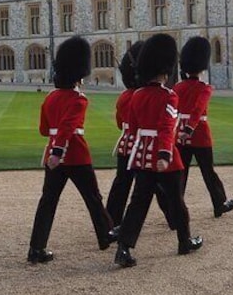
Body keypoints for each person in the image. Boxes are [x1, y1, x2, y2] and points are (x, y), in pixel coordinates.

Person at [114, 33, 203, 268]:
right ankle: (184, 242)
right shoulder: (169, 96)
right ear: (165, 71)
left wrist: (136, 149)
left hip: (142, 155)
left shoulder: (137, 96)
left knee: (138, 203)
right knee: (177, 201)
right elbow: (166, 128)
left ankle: (123, 248)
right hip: (164, 156)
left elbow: (131, 126)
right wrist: (164, 154)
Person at [27, 36, 116, 264]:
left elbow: (44, 130)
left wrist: (55, 150)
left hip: (53, 154)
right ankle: (105, 235)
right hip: (75, 154)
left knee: (48, 201)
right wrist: (60, 150)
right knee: (93, 197)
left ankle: (36, 248)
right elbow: (68, 126)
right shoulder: (78, 99)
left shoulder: (49, 98)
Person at [174, 36, 233, 218]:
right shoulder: (204, 88)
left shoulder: (178, 87)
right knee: (208, 172)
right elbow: (198, 109)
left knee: (181, 174)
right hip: (199, 133)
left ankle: (176, 209)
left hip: (180, 132)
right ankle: (219, 204)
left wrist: (182, 130)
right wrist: (190, 129)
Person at [105, 40, 144, 227]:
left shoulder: (124, 97)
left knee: (121, 184)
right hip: (144, 146)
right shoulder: (143, 96)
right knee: (159, 187)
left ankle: (112, 219)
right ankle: (175, 220)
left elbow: (120, 124)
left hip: (125, 146)